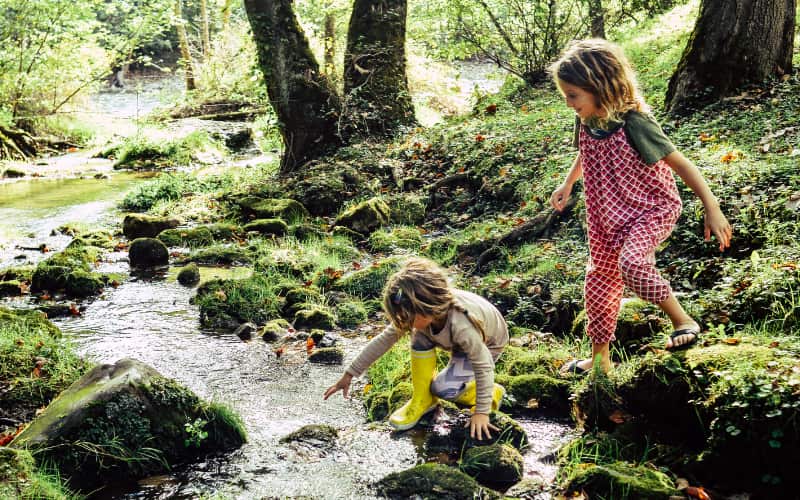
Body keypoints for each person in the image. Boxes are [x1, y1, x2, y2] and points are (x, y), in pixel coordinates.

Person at [547, 39, 733, 374]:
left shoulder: (635, 123)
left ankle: (683, 319)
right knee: (599, 281)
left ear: (599, 86)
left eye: (573, 94)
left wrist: (712, 207)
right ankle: (600, 359)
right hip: (605, 216)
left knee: (632, 264)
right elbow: (585, 153)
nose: (568, 102)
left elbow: (682, 164)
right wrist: (569, 182)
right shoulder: (588, 118)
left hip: (650, 209)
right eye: (566, 95)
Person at [323, 257, 509, 440]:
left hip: (488, 343)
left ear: (427, 307)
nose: (405, 323)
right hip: (455, 338)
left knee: (443, 389)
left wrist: (482, 412)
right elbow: (383, 340)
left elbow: (483, 365)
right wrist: (349, 374)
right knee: (418, 335)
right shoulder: (421, 315)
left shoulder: (462, 325)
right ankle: (422, 399)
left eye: (409, 318)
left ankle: (492, 392)